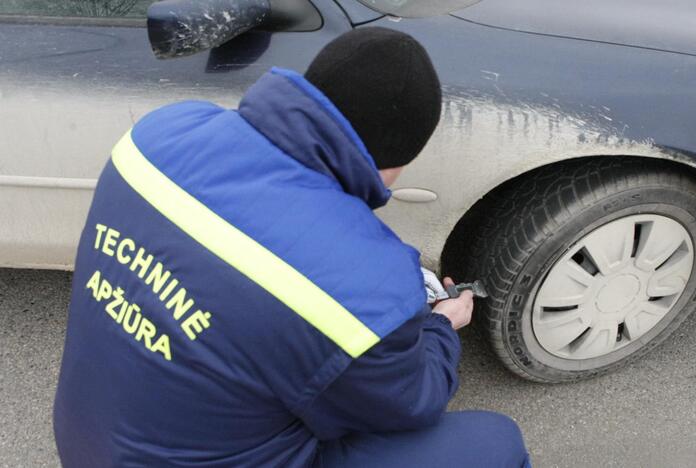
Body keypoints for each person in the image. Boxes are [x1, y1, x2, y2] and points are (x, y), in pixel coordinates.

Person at [53, 27, 531, 467]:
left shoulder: (160, 134)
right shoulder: (363, 287)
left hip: (87, 438)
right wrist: (442, 327)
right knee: (495, 444)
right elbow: (410, 403)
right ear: (395, 164)